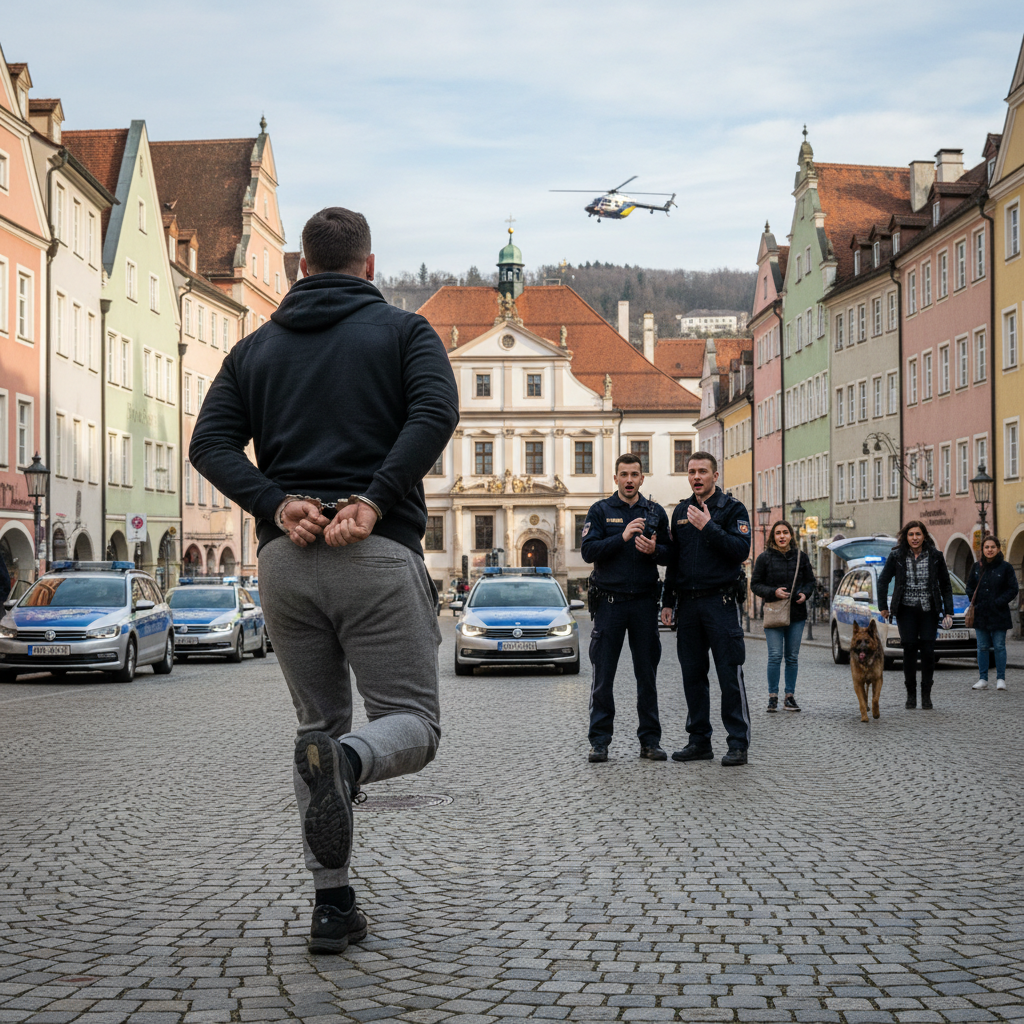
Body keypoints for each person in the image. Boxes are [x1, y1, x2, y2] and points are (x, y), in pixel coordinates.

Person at [189, 207, 459, 953]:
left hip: (285, 559)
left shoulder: (255, 349)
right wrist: (374, 499)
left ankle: (331, 905)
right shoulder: (406, 333)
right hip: (373, 551)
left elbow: (207, 442)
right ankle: (346, 765)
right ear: (370, 267)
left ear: (299, 268)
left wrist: (276, 501)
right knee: (411, 723)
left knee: (315, 726)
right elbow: (436, 412)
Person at [660, 452, 752, 766]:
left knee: (729, 674)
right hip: (688, 605)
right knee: (693, 676)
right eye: (691, 472)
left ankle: (738, 743)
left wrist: (709, 527)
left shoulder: (733, 509)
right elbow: (675, 560)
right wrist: (668, 601)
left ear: (715, 474)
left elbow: (741, 550)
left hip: (721, 602)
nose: (696, 477)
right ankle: (699, 741)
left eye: (702, 471)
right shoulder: (681, 512)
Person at [581, 453, 670, 763]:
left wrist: (654, 550)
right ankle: (600, 741)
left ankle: (650, 741)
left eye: (635, 474)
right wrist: (621, 537)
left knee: (647, 676)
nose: (629, 479)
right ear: (615, 478)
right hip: (610, 604)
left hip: (644, 603)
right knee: (603, 676)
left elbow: (670, 555)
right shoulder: (600, 510)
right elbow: (588, 551)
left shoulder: (655, 511)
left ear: (642, 478)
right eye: (624, 474)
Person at [877, 520, 953, 710]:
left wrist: (948, 611)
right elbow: (883, 581)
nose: (915, 538)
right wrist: (883, 606)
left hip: (929, 609)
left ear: (924, 536)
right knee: (909, 649)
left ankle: (926, 695)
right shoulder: (897, 556)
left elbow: (945, 584)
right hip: (906, 609)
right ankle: (911, 695)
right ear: (906, 537)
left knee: (928, 651)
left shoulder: (936, 556)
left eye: (918, 534)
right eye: (911, 535)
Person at [749, 520, 815, 712]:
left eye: (785, 532)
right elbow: (755, 584)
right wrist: (773, 592)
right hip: (774, 612)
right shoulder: (764, 558)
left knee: (792, 657)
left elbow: (810, 581)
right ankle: (772, 697)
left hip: (796, 613)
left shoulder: (801, 557)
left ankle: (789, 696)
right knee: (775, 656)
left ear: (791, 535)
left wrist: (805, 593)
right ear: (773, 537)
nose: (782, 536)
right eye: (778, 533)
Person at [967, 535, 1019, 691]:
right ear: (983, 549)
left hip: (999, 613)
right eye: (986, 547)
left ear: (998, 549)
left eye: (992, 547)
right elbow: (969, 587)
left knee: (999, 646)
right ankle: (983, 679)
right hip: (981, 613)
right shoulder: (977, 567)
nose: (989, 550)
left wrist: (999, 602)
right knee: (982, 646)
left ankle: (1001, 679)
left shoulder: (1006, 567)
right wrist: (976, 602)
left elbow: (1013, 589)